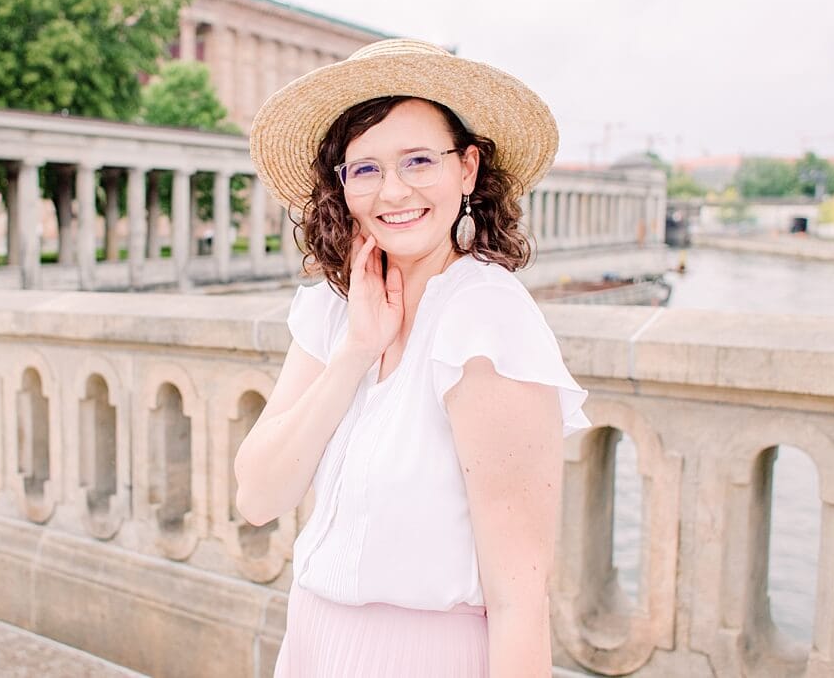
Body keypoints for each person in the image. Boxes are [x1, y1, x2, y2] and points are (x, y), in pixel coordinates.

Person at [234, 39, 590, 677]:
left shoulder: (485, 320)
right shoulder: (332, 311)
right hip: (312, 645)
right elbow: (259, 496)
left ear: (468, 169)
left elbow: (519, 598)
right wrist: (354, 354)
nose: (391, 191)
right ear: (341, 186)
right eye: (364, 169)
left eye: (418, 161)